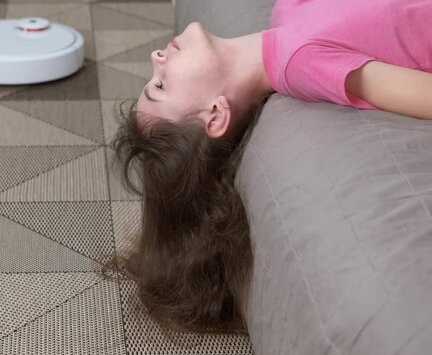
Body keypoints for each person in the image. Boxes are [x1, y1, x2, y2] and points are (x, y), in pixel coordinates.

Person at [99, 0, 432, 337]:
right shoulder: (300, 64)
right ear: (214, 115)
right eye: (160, 85)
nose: (155, 58)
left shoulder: (285, 15)